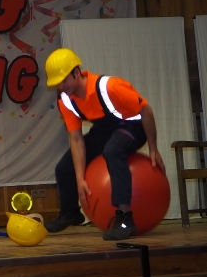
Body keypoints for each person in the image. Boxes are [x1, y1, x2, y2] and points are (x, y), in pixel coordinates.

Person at [44, 48, 165, 241]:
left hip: (133, 127)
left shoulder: (111, 86)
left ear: (76, 73)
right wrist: (79, 179)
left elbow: (146, 111)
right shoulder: (65, 100)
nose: (60, 87)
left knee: (113, 150)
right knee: (64, 169)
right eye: (56, 83)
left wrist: (153, 148)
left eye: (63, 81)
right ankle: (70, 213)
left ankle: (125, 219)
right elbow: (76, 139)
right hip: (105, 130)